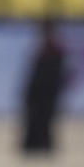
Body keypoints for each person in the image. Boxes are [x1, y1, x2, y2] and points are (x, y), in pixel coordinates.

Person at [21, 18, 66, 153]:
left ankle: (41, 144)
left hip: (46, 92)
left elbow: (54, 74)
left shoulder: (53, 48)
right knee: (37, 118)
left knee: (44, 118)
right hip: (41, 92)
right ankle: (36, 144)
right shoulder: (46, 46)